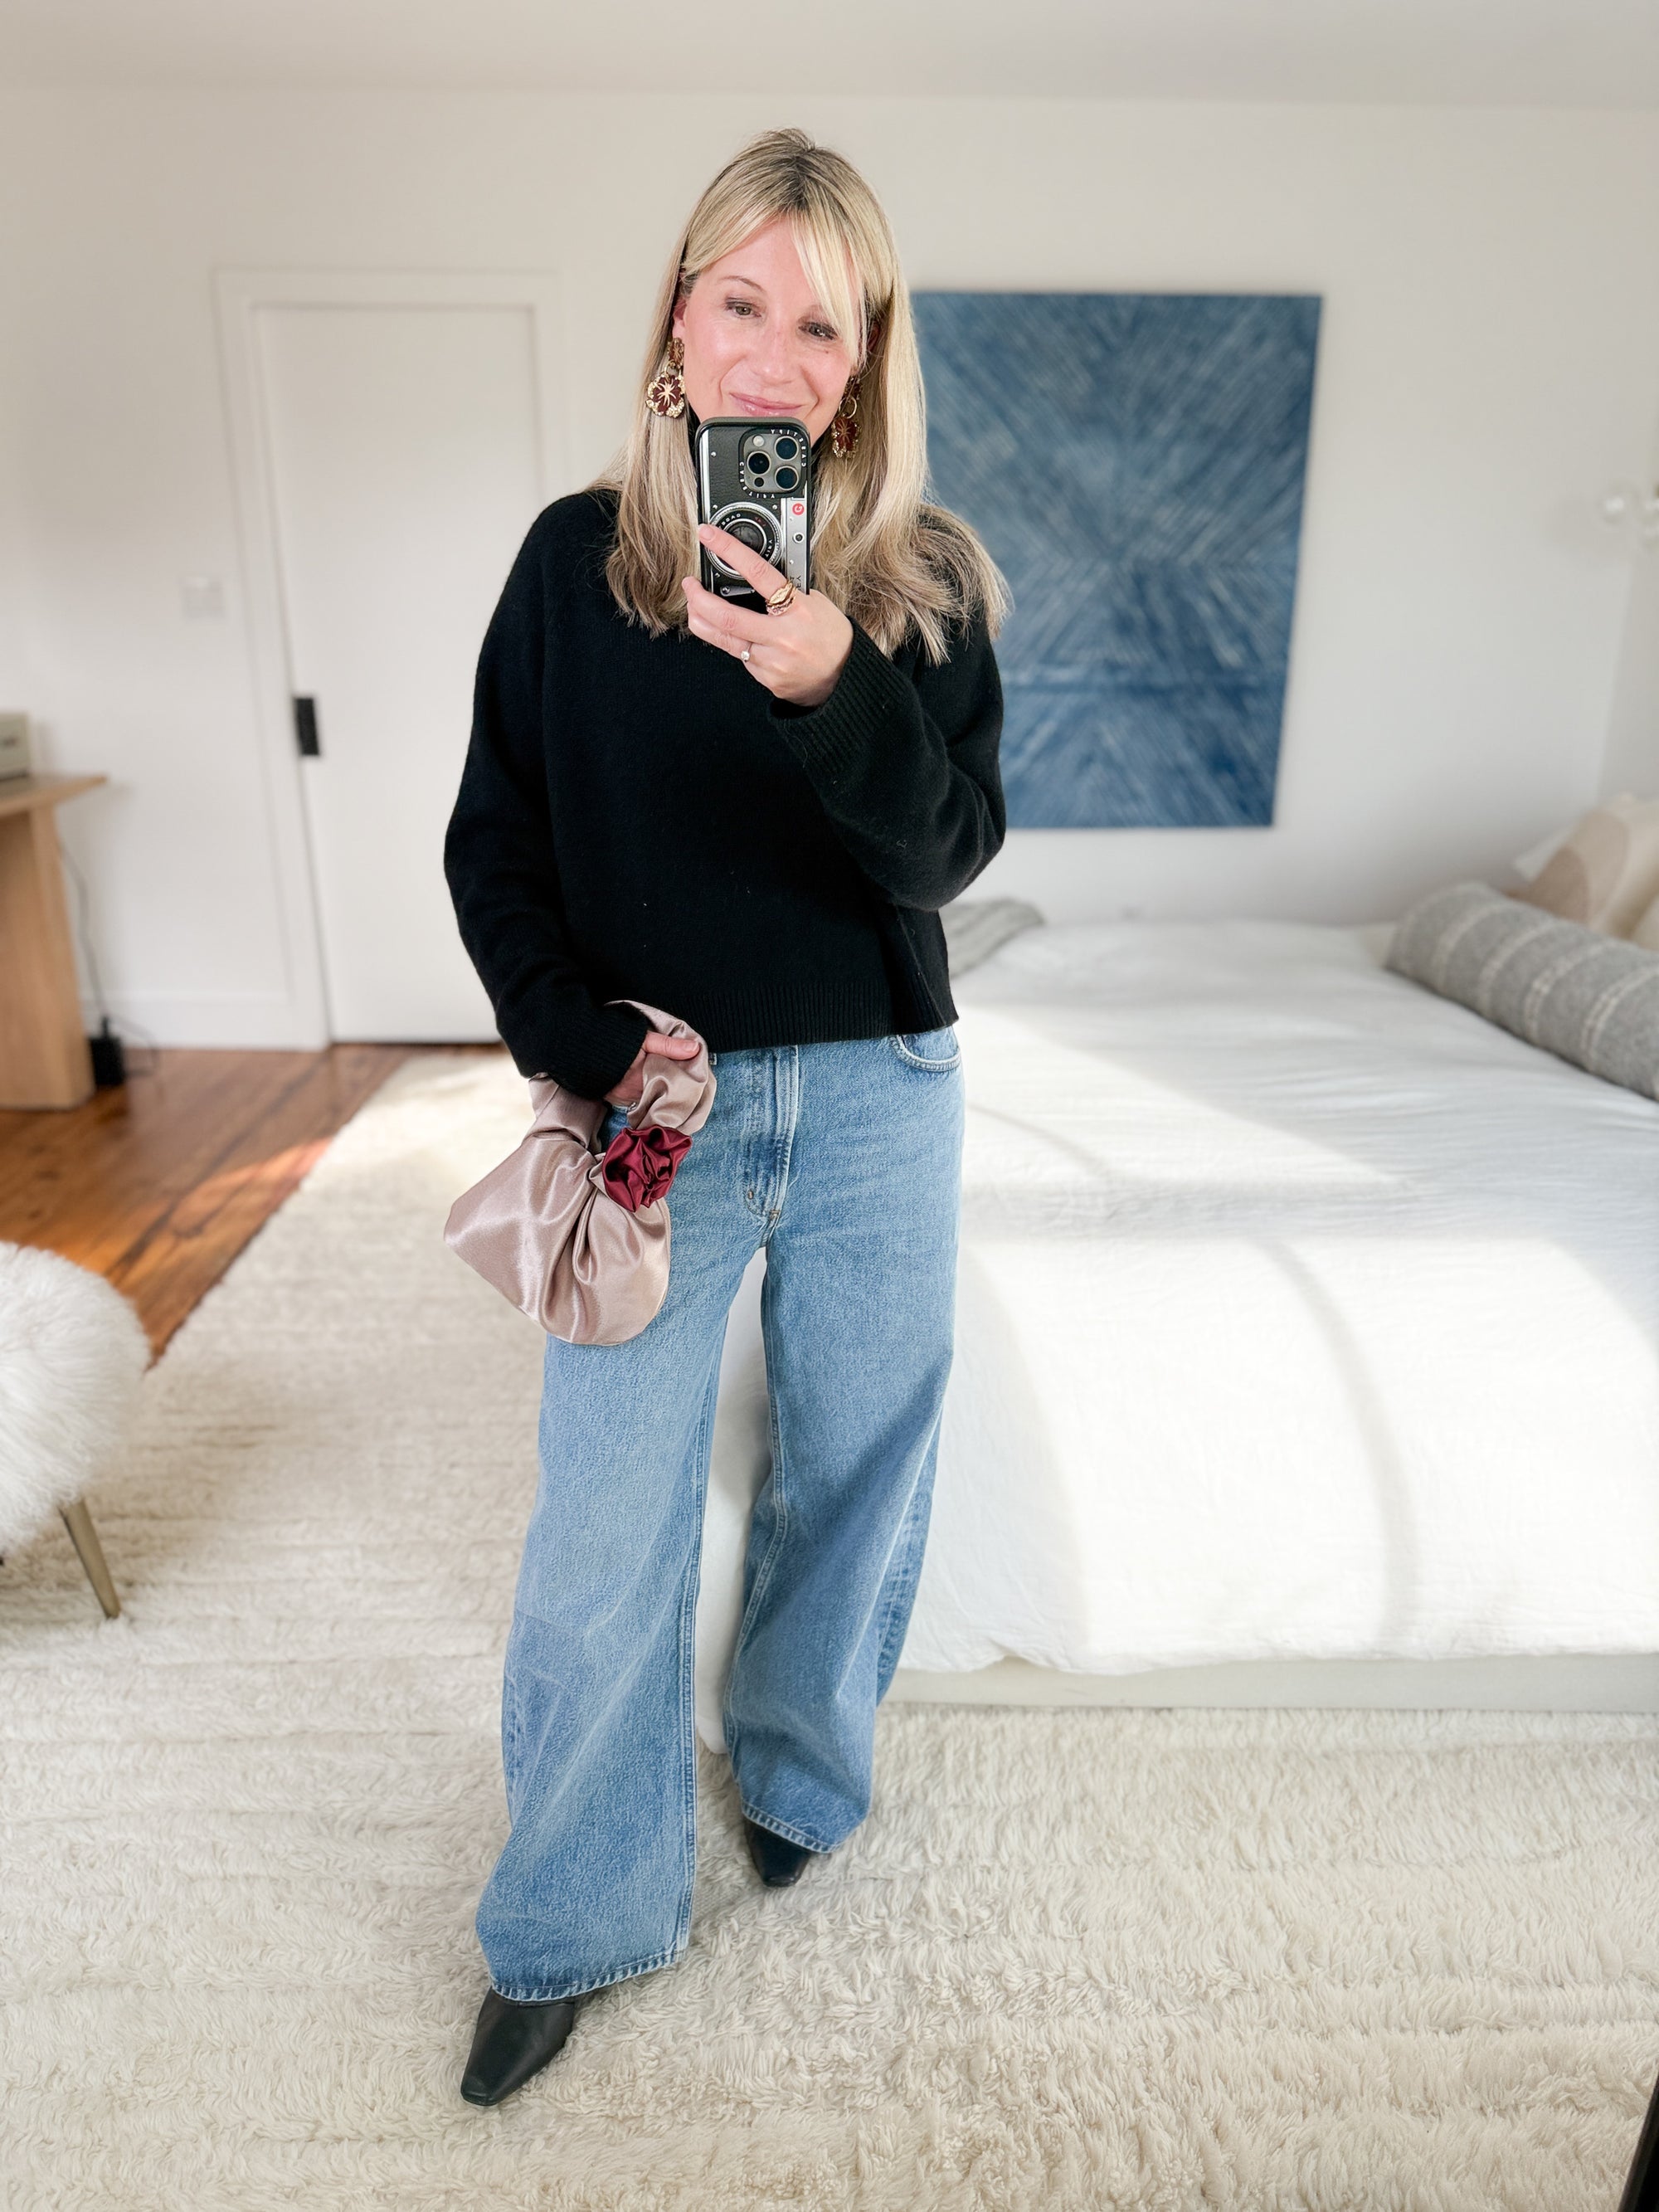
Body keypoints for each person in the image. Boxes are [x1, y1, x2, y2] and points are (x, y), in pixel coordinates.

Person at [443, 126, 1007, 2108]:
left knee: (855, 1470)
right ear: (678, 328)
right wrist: (577, 1040)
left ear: (859, 369)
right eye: (741, 303)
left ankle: (794, 1778)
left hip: (877, 1096)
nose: (775, 352)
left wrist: (830, 678)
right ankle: (568, 1913)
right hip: (651, 1103)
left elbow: (945, 855)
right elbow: (496, 847)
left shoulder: (922, 585)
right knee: (602, 1522)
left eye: (821, 325)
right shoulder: (571, 565)